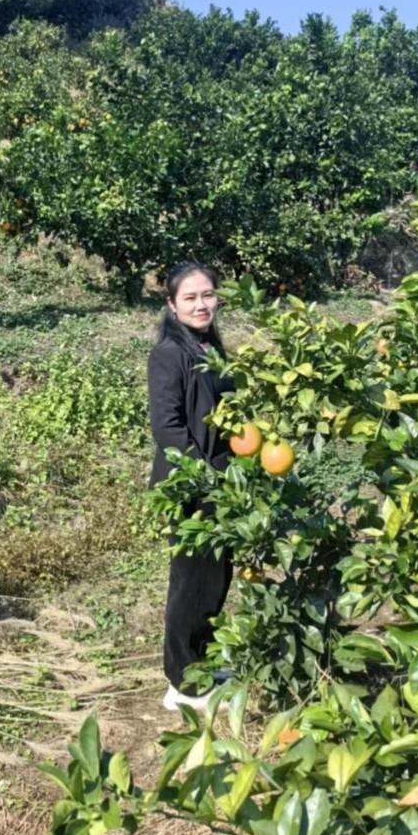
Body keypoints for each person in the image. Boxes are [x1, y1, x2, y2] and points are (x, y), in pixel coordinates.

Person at [147, 261, 234, 711]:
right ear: (172, 305)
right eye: (191, 297)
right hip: (190, 485)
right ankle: (181, 684)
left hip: (221, 482)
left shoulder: (211, 349)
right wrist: (202, 476)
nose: (201, 304)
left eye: (208, 295)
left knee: (215, 579)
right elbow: (167, 426)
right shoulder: (169, 354)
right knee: (190, 582)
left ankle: (203, 664)